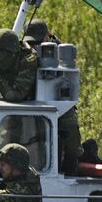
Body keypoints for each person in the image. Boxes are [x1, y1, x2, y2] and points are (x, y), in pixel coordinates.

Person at [22, 18, 82, 174]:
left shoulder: (59, 50)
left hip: (58, 101)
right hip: (32, 102)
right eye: (32, 43)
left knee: (72, 142)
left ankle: (69, 173)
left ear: (46, 37)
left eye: (38, 42)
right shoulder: (24, 51)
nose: (35, 47)